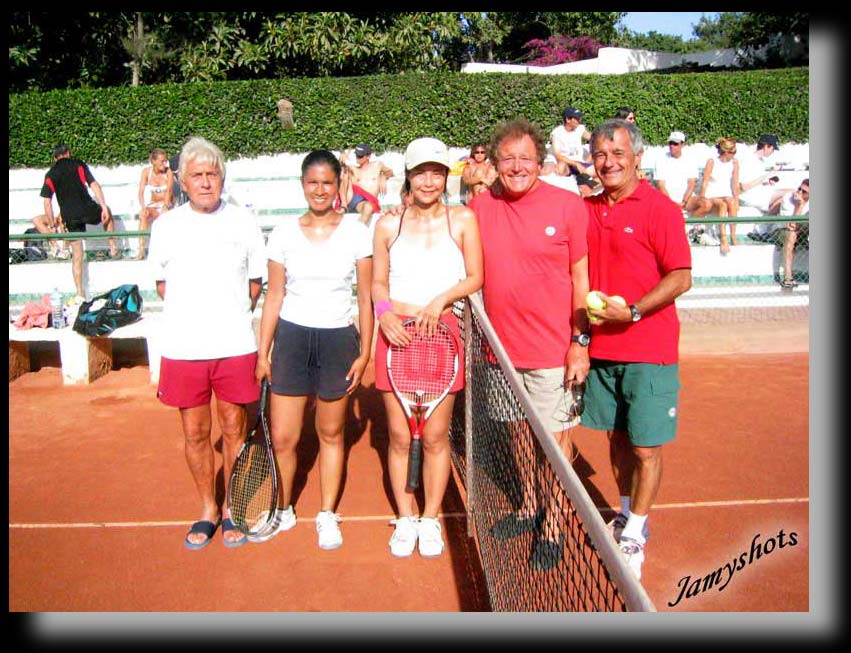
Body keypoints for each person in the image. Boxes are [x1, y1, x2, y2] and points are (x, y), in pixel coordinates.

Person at [468, 119, 590, 571]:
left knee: (555, 445)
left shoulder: (567, 205)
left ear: (540, 160)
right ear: (494, 163)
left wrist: (580, 342)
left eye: (525, 158)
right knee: (519, 435)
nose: (517, 166)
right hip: (499, 351)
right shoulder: (479, 206)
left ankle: (554, 521)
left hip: (555, 351)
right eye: (507, 158)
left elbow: (582, 278)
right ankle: (527, 505)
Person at [582, 118, 693, 580]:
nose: (608, 163)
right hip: (601, 351)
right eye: (601, 154)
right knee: (617, 438)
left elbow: (681, 277)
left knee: (646, 449)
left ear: (637, 158)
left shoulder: (661, 209)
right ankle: (625, 511)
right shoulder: (586, 208)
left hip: (649, 347)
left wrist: (632, 312)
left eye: (618, 154)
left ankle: (637, 530)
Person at [147, 136, 266, 550]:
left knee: (234, 428)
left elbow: (255, 282)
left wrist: (229, 315)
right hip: (183, 349)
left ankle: (233, 507)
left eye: (211, 174)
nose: (204, 182)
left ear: (221, 177)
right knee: (196, 433)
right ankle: (208, 509)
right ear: (182, 180)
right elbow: (163, 285)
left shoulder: (243, 220)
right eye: (196, 175)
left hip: (234, 345)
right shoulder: (165, 226)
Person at [255, 150, 374, 550]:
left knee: (330, 432)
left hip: (338, 339)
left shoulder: (357, 231)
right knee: (285, 436)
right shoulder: (284, 232)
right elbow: (274, 296)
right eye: (312, 183)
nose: (320, 190)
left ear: (339, 183)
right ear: (302, 185)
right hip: (291, 339)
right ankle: (282, 508)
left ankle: (326, 513)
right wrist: (262, 352)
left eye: (327, 182)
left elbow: (367, 299)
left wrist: (365, 351)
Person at [372, 137, 483, 559]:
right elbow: (378, 283)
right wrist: (383, 313)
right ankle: (405, 517)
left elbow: (476, 276)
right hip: (396, 334)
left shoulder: (463, 219)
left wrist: (439, 301)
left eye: (437, 171)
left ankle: (430, 518)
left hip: (443, 332)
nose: (429, 180)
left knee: (436, 436)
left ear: (446, 176)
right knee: (400, 436)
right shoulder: (387, 224)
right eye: (421, 172)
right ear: (409, 175)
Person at [39, 144, 121, 302]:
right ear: (68, 153)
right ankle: (112, 248)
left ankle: (80, 293)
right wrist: (103, 206)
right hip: (88, 209)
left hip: (70, 216)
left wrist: (52, 224)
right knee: (108, 212)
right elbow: (94, 185)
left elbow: (47, 202)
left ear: (55, 157)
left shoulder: (51, 173)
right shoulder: (78, 164)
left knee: (77, 254)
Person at [654, 131, 715, 244]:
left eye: (675, 143)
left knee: (707, 204)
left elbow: (691, 184)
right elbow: (661, 185)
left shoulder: (690, 160)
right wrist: (672, 203)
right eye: (671, 143)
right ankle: (690, 232)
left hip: (686, 200)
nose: (672, 146)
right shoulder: (660, 160)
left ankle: (687, 230)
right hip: (666, 200)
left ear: (683, 144)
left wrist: (683, 201)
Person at [696, 137, 740, 254]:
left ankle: (733, 235)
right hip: (712, 195)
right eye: (733, 152)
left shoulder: (734, 163)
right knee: (723, 204)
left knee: (731, 201)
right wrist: (702, 197)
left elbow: (735, 183)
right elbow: (705, 181)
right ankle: (723, 238)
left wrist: (737, 199)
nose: (734, 155)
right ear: (726, 152)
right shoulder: (712, 162)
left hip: (726, 195)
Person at [738, 134, 793, 219]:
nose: (773, 152)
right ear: (766, 146)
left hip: (755, 194)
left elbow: (754, 181)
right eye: (772, 149)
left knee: (790, 192)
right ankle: (766, 221)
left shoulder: (759, 161)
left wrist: (766, 182)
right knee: (790, 193)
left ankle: (768, 220)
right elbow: (744, 187)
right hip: (749, 197)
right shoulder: (748, 161)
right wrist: (768, 174)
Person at [549, 106, 599, 196]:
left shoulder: (580, 128)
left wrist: (591, 156)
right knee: (560, 166)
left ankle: (586, 185)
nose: (579, 120)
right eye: (576, 118)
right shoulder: (557, 133)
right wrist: (576, 164)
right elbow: (558, 155)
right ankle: (584, 182)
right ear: (568, 119)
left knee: (602, 171)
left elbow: (594, 138)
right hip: (568, 164)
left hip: (581, 164)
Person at [341, 143, 394, 226]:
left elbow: (390, 172)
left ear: (368, 156)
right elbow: (340, 169)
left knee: (369, 206)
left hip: (370, 201)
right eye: (357, 155)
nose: (357, 158)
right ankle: (360, 232)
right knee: (368, 207)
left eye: (360, 156)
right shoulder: (353, 169)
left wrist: (383, 176)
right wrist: (342, 158)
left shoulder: (377, 165)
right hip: (356, 199)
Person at [135, 148, 174, 260]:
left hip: (166, 205)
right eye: (162, 161)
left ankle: (165, 252)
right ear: (154, 161)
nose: (164, 163)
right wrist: (143, 207)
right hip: (153, 205)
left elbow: (169, 191)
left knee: (165, 217)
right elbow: (141, 192)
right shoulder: (146, 172)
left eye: (165, 161)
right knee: (144, 215)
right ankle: (141, 250)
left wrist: (165, 206)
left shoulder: (168, 172)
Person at [779, 178, 809, 290]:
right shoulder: (788, 198)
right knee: (791, 235)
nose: (799, 192)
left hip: (804, 230)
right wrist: (799, 205)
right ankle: (788, 278)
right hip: (783, 231)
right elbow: (791, 225)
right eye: (799, 189)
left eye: (804, 192)